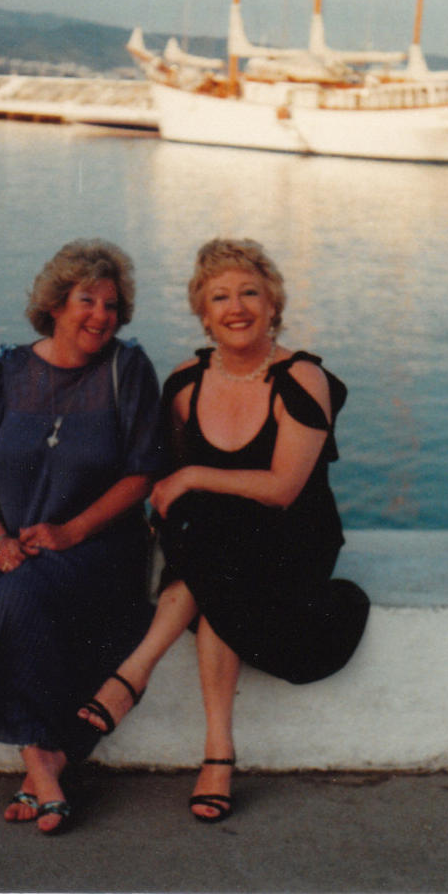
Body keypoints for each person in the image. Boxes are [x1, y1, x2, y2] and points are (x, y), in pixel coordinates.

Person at [77, 238, 369, 823]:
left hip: (293, 541)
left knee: (217, 560)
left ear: (272, 305)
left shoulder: (302, 379)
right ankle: (218, 754)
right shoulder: (186, 384)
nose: (236, 308)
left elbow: (283, 489)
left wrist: (193, 475)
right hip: (217, 545)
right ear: (204, 314)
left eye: (249, 293)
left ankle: (132, 675)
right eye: (220, 297)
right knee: (216, 559)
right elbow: (163, 481)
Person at [0, 239, 164, 835]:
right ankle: (46, 765)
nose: (101, 316)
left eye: (111, 306)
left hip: (97, 544)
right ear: (55, 305)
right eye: (87, 301)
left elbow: (142, 476)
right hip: (5, 540)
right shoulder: (5, 373)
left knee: (19, 600)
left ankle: (40, 766)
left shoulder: (127, 371)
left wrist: (72, 530)